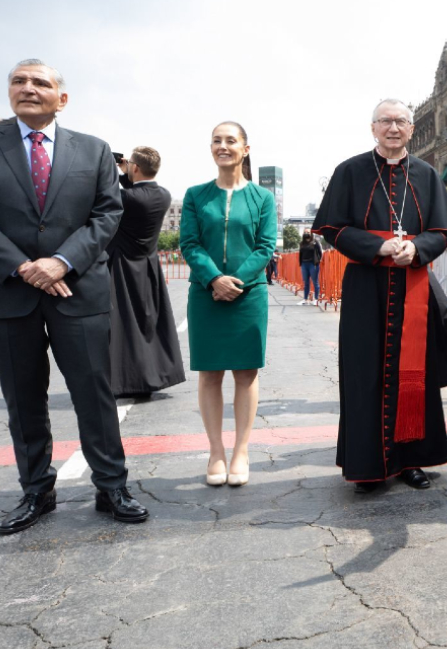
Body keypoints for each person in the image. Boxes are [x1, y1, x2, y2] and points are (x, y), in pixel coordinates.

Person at [0, 59, 147, 533]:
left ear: (62, 98)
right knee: (22, 395)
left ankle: (111, 485)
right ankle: (37, 490)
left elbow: (106, 214)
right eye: (18, 81)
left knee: (94, 393)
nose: (28, 88)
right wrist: (21, 266)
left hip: (77, 287)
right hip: (1, 289)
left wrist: (60, 261)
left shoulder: (94, 151)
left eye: (40, 82)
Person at [313, 98, 447, 493]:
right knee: (364, 372)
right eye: (385, 121)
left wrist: (417, 248)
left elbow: (442, 232)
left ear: (411, 129)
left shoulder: (427, 174)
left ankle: (413, 461)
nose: (393, 128)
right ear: (373, 128)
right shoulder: (349, 171)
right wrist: (378, 247)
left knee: (414, 373)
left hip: (412, 284)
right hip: (366, 287)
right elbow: (333, 230)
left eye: (401, 121)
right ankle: (367, 464)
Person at [180, 122, 277, 487]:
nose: (223, 146)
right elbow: (189, 243)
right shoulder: (195, 195)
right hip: (205, 294)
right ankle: (215, 451)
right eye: (217, 140)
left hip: (249, 295)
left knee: (246, 373)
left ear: (245, 148)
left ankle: (241, 450)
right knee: (210, 373)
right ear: (211, 148)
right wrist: (213, 279)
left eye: (230, 140)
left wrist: (236, 280)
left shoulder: (262, 199)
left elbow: (266, 246)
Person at [107, 146, 186, 398]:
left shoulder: (126, 198)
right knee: (148, 323)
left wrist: (114, 171)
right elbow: (137, 192)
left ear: (136, 167)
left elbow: (107, 195)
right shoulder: (163, 195)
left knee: (124, 325)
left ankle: (127, 380)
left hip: (122, 266)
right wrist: (126, 170)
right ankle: (154, 376)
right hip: (148, 265)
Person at [298, 232, 322, 303]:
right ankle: (305, 299)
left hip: (313, 263)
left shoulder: (315, 242)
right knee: (306, 282)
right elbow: (301, 253)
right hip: (304, 263)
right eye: (305, 232)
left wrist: (318, 261)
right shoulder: (302, 243)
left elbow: (320, 252)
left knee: (315, 281)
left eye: (308, 232)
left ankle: (316, 299)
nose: (307, 234)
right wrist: (301, 263)